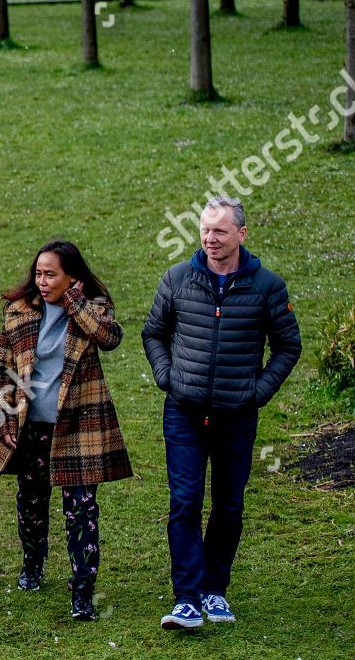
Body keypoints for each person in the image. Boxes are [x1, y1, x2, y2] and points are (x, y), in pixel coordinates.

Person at [142, 198, 301, 630]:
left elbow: (288, 347)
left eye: (220, 232)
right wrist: (166, 378)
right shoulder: (177, 278)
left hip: (236, 416)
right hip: (184, 413)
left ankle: (215, 591)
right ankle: (187, 598)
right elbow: (154, 332)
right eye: (205, 231)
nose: (210, 240)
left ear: (241, 234)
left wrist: (257, 392)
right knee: (185, 501)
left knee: (229, 506)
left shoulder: (268, 286)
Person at [0, 241, 132, 622]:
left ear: (71, 277)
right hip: (30, 427)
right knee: (31, 501)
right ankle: (33, 564)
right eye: (38, 274)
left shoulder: (93, 309)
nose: (41, 281)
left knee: (82, 510)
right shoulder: (19, 312)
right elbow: (1, 369)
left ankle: (82, 592)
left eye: (51, 275)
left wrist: (75, 303)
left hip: (78, 427)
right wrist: (6, 417)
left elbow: (110, 338)